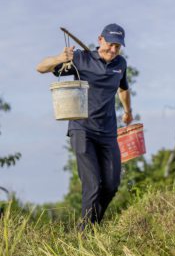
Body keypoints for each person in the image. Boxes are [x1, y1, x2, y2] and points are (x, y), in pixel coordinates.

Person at [36, 23, 133, 229]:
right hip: (82, 129)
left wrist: (127, 111)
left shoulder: (120, 64)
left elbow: (123, 88)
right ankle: (84, 235)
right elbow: (41, 67)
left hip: (107, 131)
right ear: (100, 40)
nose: (113, 50)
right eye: (110, 44)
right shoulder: (81, 58)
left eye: (118, 46)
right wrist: (59, 59)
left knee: (111, 185)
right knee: (93, 184)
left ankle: (91, 227)